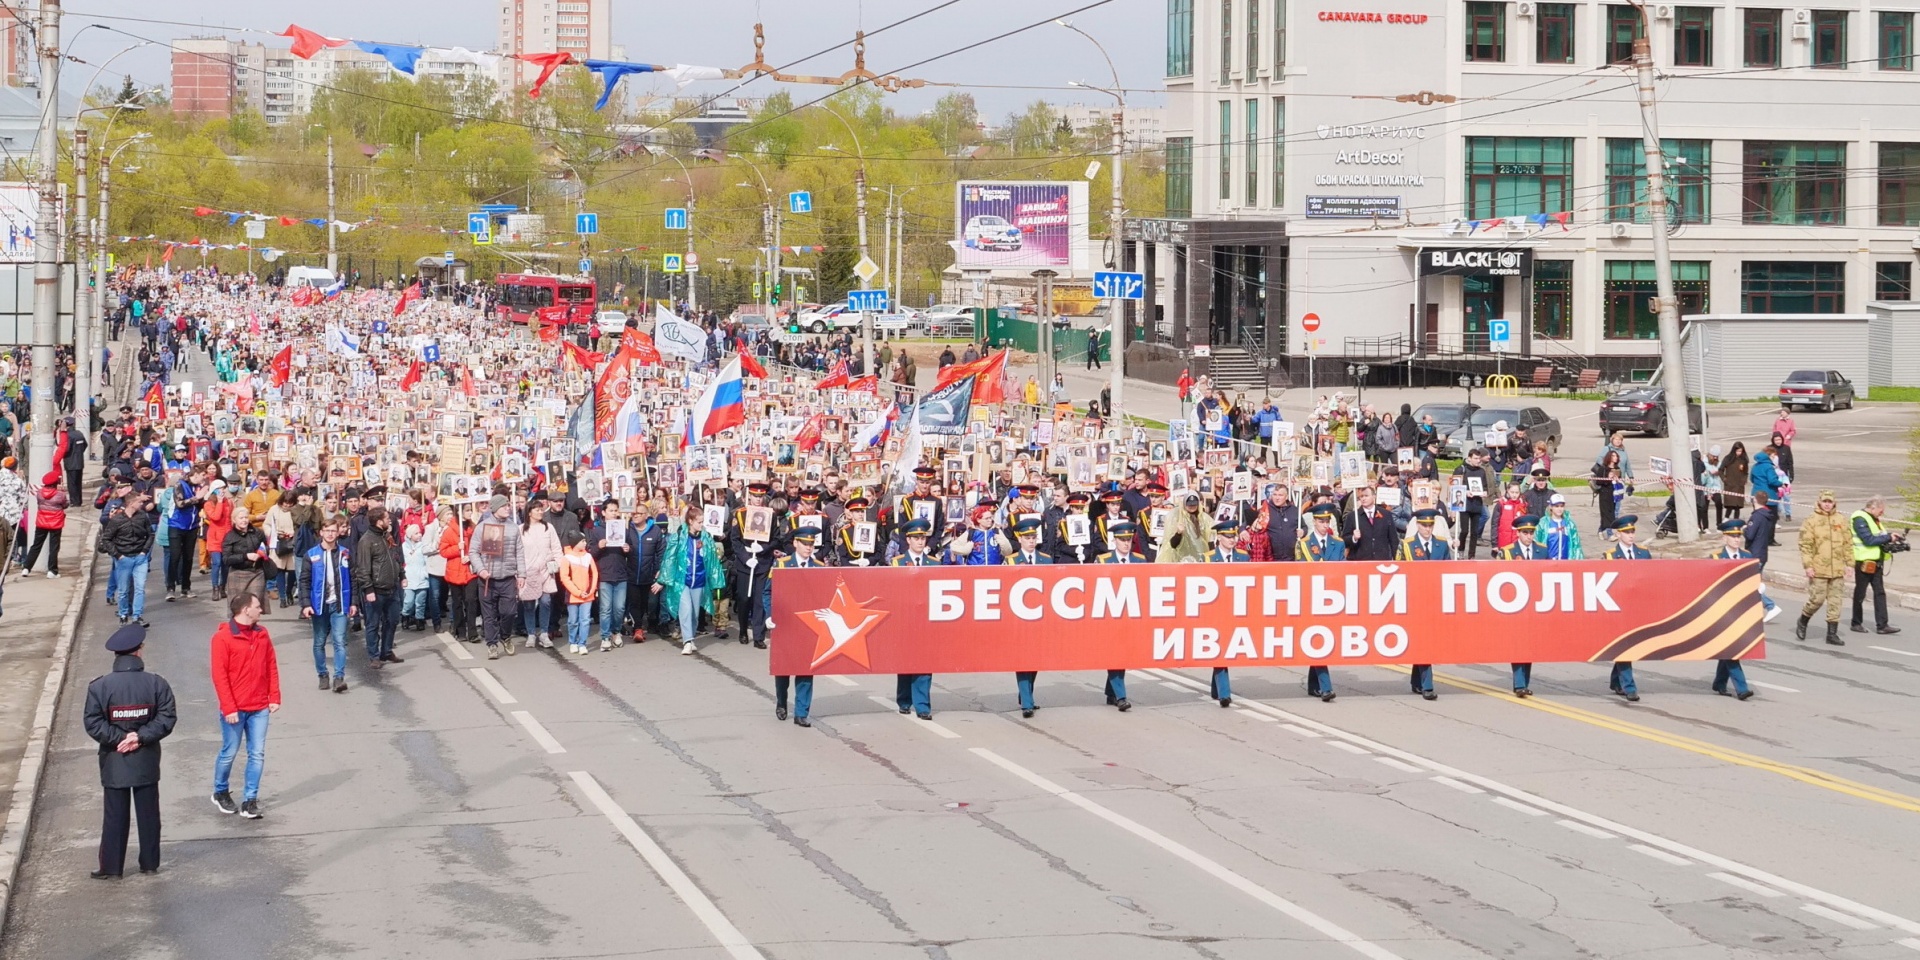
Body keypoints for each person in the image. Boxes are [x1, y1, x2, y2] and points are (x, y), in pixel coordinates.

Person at [82, 623, 177, 878]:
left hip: (115, 759)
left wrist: (119, 739)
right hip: (145, 757)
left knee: (114, 815)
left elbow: (92, 722)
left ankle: (111, 867)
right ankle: (149, 863)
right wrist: (139, 737)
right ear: (139, 651)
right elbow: (167, 718)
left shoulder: (99, 687)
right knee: (148, 814)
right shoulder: (157, 684)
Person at [209, 593, 281, 819]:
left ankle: (250, 799)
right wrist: (228, 708)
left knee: (257, 753)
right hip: (236, 709)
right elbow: (219, 676)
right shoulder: (222, 639)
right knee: (229, 752)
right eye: (257, 606)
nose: (261, 610)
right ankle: (220, 791)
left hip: (259, 706)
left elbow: (271, 664)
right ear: (245, 610)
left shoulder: (262, 634)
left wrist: (274, 696)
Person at [654, 504, 726, 655]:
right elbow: (669, 558)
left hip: (699, 580)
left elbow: (713, 561)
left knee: (694, 612)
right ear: (690, 521)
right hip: (683, 581)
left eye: (702, 521)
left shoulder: (706, 538)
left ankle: (691, 638)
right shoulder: (679, 537)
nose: (702, 524)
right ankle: (687, 641)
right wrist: (662, 580)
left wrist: (717, 580)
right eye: (699, 522)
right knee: (685, 609)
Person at [772, 527, 825, 727]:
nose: (808, 548)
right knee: (784, 668)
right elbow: (769, 592)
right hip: (786, 624)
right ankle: (781, 701)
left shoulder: (819, 567)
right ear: (795, 544)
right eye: (805, 544)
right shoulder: (783, 565)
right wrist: (771, 615)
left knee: (805, 669)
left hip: (809, 626)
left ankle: (801, 712)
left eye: (811, 544)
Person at [1397, 509, 1450, 700]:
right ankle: (1427, 685)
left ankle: (1417, 680)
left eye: (1430, 525)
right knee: (1424, 640)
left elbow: (1448, 571)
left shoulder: (1441, 544)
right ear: (1417, 525)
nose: (1427, 529)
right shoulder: (1407, 545)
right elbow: (1398, 573)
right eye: (1424, 525)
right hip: (1415, 600)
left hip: (1435, 600)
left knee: (1427, 641)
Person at [890, 518, 939, 719]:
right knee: (906, 661)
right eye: (916, 538)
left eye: (923, 538)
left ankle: (923, 705)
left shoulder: (934, 563)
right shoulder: (898, 562)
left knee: (924, 663)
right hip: (906, 620)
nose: (920, 542)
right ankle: (904, 699)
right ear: (908, 540)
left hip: (927, 620)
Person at [1294, 503, 1343, 702]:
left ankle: (1314, 684)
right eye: (1320, 521)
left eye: (1326, 521)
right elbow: (1299, 571)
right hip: (1312, 597)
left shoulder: (1337, 543)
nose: (1324, 525)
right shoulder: (1303, 544)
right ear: (1313, 522)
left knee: (1323, 641)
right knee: (1319, 640)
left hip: (1332, 598)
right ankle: (1325, 687)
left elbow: (1342, 571)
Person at [300, 519, 356, 693]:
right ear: (321, 533)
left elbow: (353, 579)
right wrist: (306, 604)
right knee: (319, 642)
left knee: (340, 641)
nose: (331, 533)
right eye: (327, 530)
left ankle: (338, 677)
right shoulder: (311, 555)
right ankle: (322, 674)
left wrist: (354, 602)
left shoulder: (345, 553)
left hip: (339, 604)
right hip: (319, 606)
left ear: (338, 532)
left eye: (334, 530)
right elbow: (304, 581)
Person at [1004, 517, 1052, 718]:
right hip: (1019, 621)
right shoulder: (1011, 560)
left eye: (1033, 537)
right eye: (1027, 537)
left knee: (1035, 662)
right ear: (1019, 539)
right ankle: (1027, 702)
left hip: (1040, 620)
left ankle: (1027, 694)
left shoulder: (1046, 559)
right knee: (1023, 660)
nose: (1031, 541)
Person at [1092, 521, 1140, 712]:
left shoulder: (1139, 560)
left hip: (1130, 616)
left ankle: (1111, 691)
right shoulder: (1103, 560)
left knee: (1123, 656)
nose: (1126, 543)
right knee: (1114, 654)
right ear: (1115, 541)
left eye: (1128, 539)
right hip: (1109, 616)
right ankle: (1121, 696)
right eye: (1122, 540)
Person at [1707, 520, 1758, 700]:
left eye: (1738, 536)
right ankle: (1741, 688)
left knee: (1729, 649)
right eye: (1732, 536)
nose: (1737, 540)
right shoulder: (1715, 559)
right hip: (1721, 612)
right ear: (1724, 538)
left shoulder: (1747, 556)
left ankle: (1720, 682)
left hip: (1740, 611)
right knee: (1732, 650)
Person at [468, 494, 524, 660]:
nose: (508, 508)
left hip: (507, 577)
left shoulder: (514, 528)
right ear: (495, 508)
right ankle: (492, 644)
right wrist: (481, 570)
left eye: (508, 505)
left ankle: (505, 635)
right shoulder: (482, 527)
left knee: (509, 612)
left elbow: (519, 552)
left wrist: (522, 574)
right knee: (489, 615)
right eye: (504, 506)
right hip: (487, 579)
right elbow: (473, 552)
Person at [1601, 516, 1649, 701]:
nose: (1630, 535)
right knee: (1625, 646)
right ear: (1618, 534)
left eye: (1632, 532)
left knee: (1629, 647)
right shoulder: (1610, 556)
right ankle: (1629, 687)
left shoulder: (1643, 554)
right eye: (1626, 532)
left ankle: (1616, 681)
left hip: (1637, 608)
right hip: (1618, 609)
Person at [1498, 515, 1545, 696]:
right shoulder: (1507, 552)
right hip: (1514, 607)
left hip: (1535, 606)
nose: (1528, 536)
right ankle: (1519, 684)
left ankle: (1525, 681)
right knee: (1517, 645)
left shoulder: (1542, 551)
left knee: (1530, 646)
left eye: (1531, 532)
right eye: (1525, 532)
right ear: (1518, 534)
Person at [1797, 490, 1852, 646]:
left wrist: (1850, 564)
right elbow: (1805, 545)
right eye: (1825, 501)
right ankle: (1803, 620)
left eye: (1830, 502)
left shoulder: (1841, 519)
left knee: (1836, 601)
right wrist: (1808, 566)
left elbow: (1848, 544)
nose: (1827, 504)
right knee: (1817, 599)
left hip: (1837, 568)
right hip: (1819, 567)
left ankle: (1831, 634)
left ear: (1834, 503)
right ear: (1819, 502)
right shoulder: (1811, 521)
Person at [1204, 518, 1248, 707]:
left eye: (1234, 535)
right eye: (1228, 536)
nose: (1232, 539)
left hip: (1236, 609)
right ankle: (1224, 692)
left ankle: (1217, 688)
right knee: (1220, 649)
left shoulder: (1243, 557)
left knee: (1227, 649)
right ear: (1219, 537)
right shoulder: (1208, 558)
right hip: (1216, 610)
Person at [355, 505, 405, 668]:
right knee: (373, 624)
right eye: (386, 518)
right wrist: (368, 589)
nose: (389, 520)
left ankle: (386, 651)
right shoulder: (366, 541)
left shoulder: (387, 536)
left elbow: (395, 557)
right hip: (376, 590)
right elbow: (362, 568)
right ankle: (374, 656)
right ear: (378, 522)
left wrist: (402, 575)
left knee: (392, 621)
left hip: (392, 588)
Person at [1850, 495, 1905, 636]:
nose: (1882, 513)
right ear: (1873, 507)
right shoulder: (1859, 518)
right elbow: (1868, 539)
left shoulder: (1874, 519)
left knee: (1880, 593)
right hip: (1864, 561)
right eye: (1881, 511)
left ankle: (1882, 625)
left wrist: (1890, 535)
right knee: (1860, 593)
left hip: (1876, 561)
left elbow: (1878, 535)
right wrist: (1888, 537)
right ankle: (1856, 622)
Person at [102, 488, 154, 626]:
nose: (141, 505)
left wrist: (144, 551)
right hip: (124, 558)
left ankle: (137, 616)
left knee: (140, 587)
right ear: (131, 503)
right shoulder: (117, 520)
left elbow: (150, 534)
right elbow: (107, 539)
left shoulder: (142, 516)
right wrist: (118, 555)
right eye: (139, 502)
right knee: (124, 590)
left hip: (140, 558)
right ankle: (123, 615)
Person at [518, 500, 563, 650]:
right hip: (528, 572)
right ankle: (531, 633)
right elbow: (516, 552)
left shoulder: (548, 528)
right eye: (536, 509)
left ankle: (544, 632)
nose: (540, 512)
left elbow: (556, 548)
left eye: (541, 509)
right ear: (529, 512)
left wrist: (558, 563)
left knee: (546, 601)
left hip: (546, 571)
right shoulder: (521, 530)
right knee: (529, 604)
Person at [559, 530, 599, 654]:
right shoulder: (567, 558)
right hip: (573, 596)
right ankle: (573, 642)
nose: (585, 543)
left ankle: (582, 643)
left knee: (585, 620)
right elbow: (565, 578)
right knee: (573, 620)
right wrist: (577, 592)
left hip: (587, 595)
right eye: (582, 541)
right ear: (575, 543)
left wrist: (591, 590)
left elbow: (594, 574)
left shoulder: (588, 556)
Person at [20, 471, 67, 578]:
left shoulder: (39, 493)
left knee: (36, 545)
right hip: (56, 523)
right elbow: (65, 504)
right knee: (54, 547)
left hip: (42, 521)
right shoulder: (60, 495)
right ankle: (52, 571)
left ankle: (26, 568)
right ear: (56, 483)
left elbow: (39, 503)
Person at [221, 508, 270, 604]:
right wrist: (245, 556)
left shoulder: (258, 532)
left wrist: (261, 553)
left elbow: (266, 547)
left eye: (246, 517)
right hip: (237, 573)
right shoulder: (229, 537)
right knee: (238, 607)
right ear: (234, 520)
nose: (244, 520)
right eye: (241, 518)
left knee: (254, 604)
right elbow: (226, 559)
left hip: (257, 572)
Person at [400, 523, 431, 631]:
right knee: (408, 601)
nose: (419, 535)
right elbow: (401, 562)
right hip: (409, 578)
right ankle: (405, 617)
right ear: (409, 535)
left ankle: (419, 620)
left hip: (422, 579)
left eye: (420, 532)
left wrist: (425, 573)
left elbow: (428, 561)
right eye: (416, 533)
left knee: (420, 602)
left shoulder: (423, 546)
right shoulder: (403, 547)